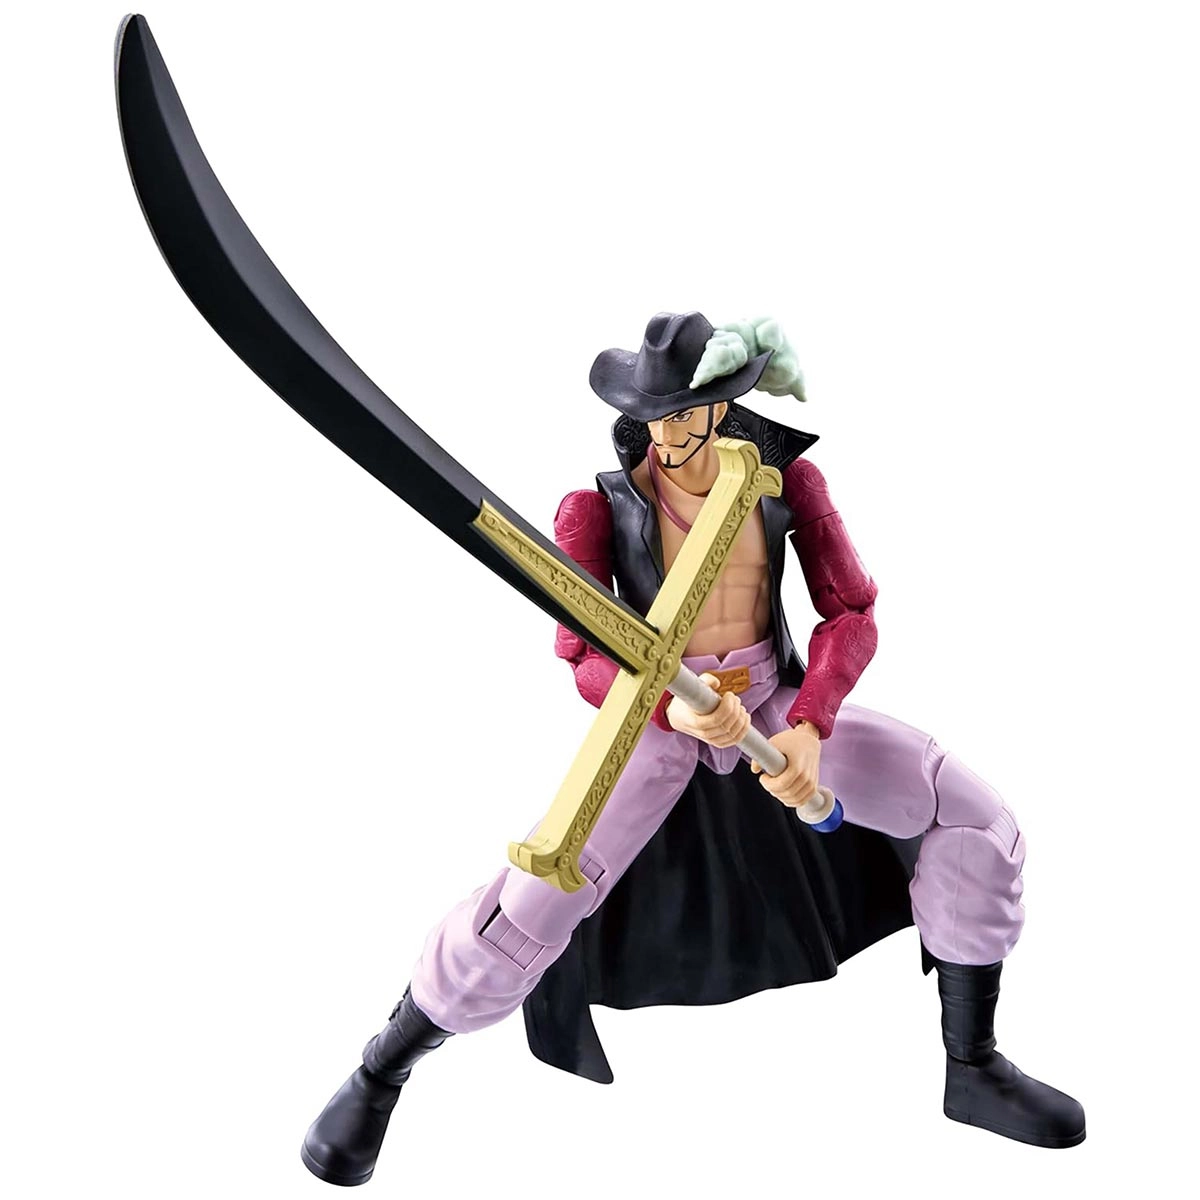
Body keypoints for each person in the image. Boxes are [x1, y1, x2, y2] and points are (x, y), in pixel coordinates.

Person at [301, 312, 1085, 1187]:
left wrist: (811, 723)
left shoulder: (782, 481)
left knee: (973, 816)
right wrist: (671, 709)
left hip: (773, 706)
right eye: (656, 415)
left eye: (688, 412)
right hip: (652, 722)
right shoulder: (595, 509)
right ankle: (382, 1072)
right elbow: (581, 652)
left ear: (722, 407)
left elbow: (852, 611)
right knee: (530, 901)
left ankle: (972, 1064)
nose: (670, 434)